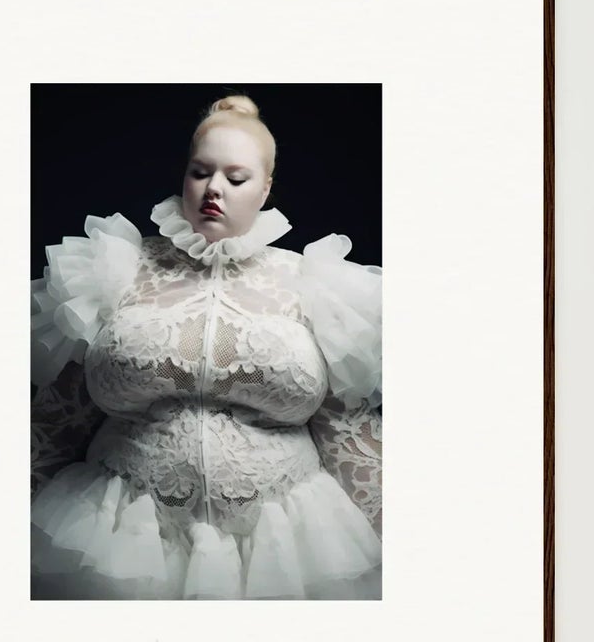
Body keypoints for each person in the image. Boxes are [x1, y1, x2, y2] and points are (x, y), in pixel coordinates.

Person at [30, 94, 382, 600]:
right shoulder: (115, 271)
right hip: (116, 540)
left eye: (235, 178)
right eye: (200, 172)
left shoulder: (312, 284)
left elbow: (344, 427)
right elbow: (60, 418)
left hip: (288, 546)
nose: (214, 189)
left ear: (265, 187)